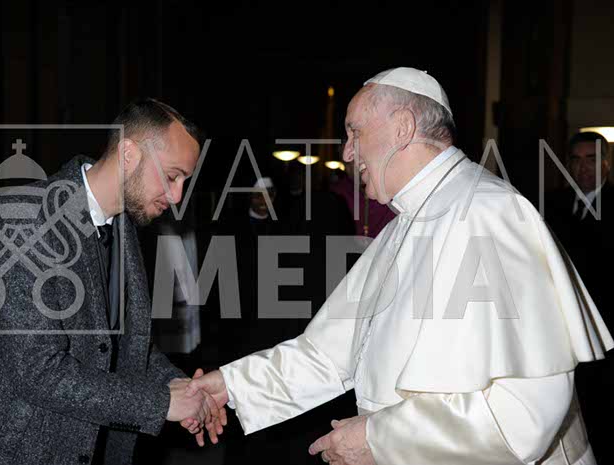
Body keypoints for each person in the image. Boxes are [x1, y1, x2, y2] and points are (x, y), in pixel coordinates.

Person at [186, 68, 613, 465]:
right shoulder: (403, 224)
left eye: (354, 132)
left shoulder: (491, 213)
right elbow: (328, 354)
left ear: (403, 127)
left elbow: (525, 416)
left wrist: (377, 438)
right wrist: (230, 385)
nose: (347, 152)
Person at [0, 99, 224, 465]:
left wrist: (180, 386)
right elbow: (39, 371)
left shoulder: (123, 227)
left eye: (185, 181)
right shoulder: (21, 220)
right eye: (172, 176)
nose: (177, 197)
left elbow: (119, 346)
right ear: (129, 154)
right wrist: (163, 402)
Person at [545, 131, 614, 463]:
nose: (583, 167)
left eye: (591, 159)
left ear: (606, 164)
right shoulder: (551, 204)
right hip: (564, 326)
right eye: (576, 159)